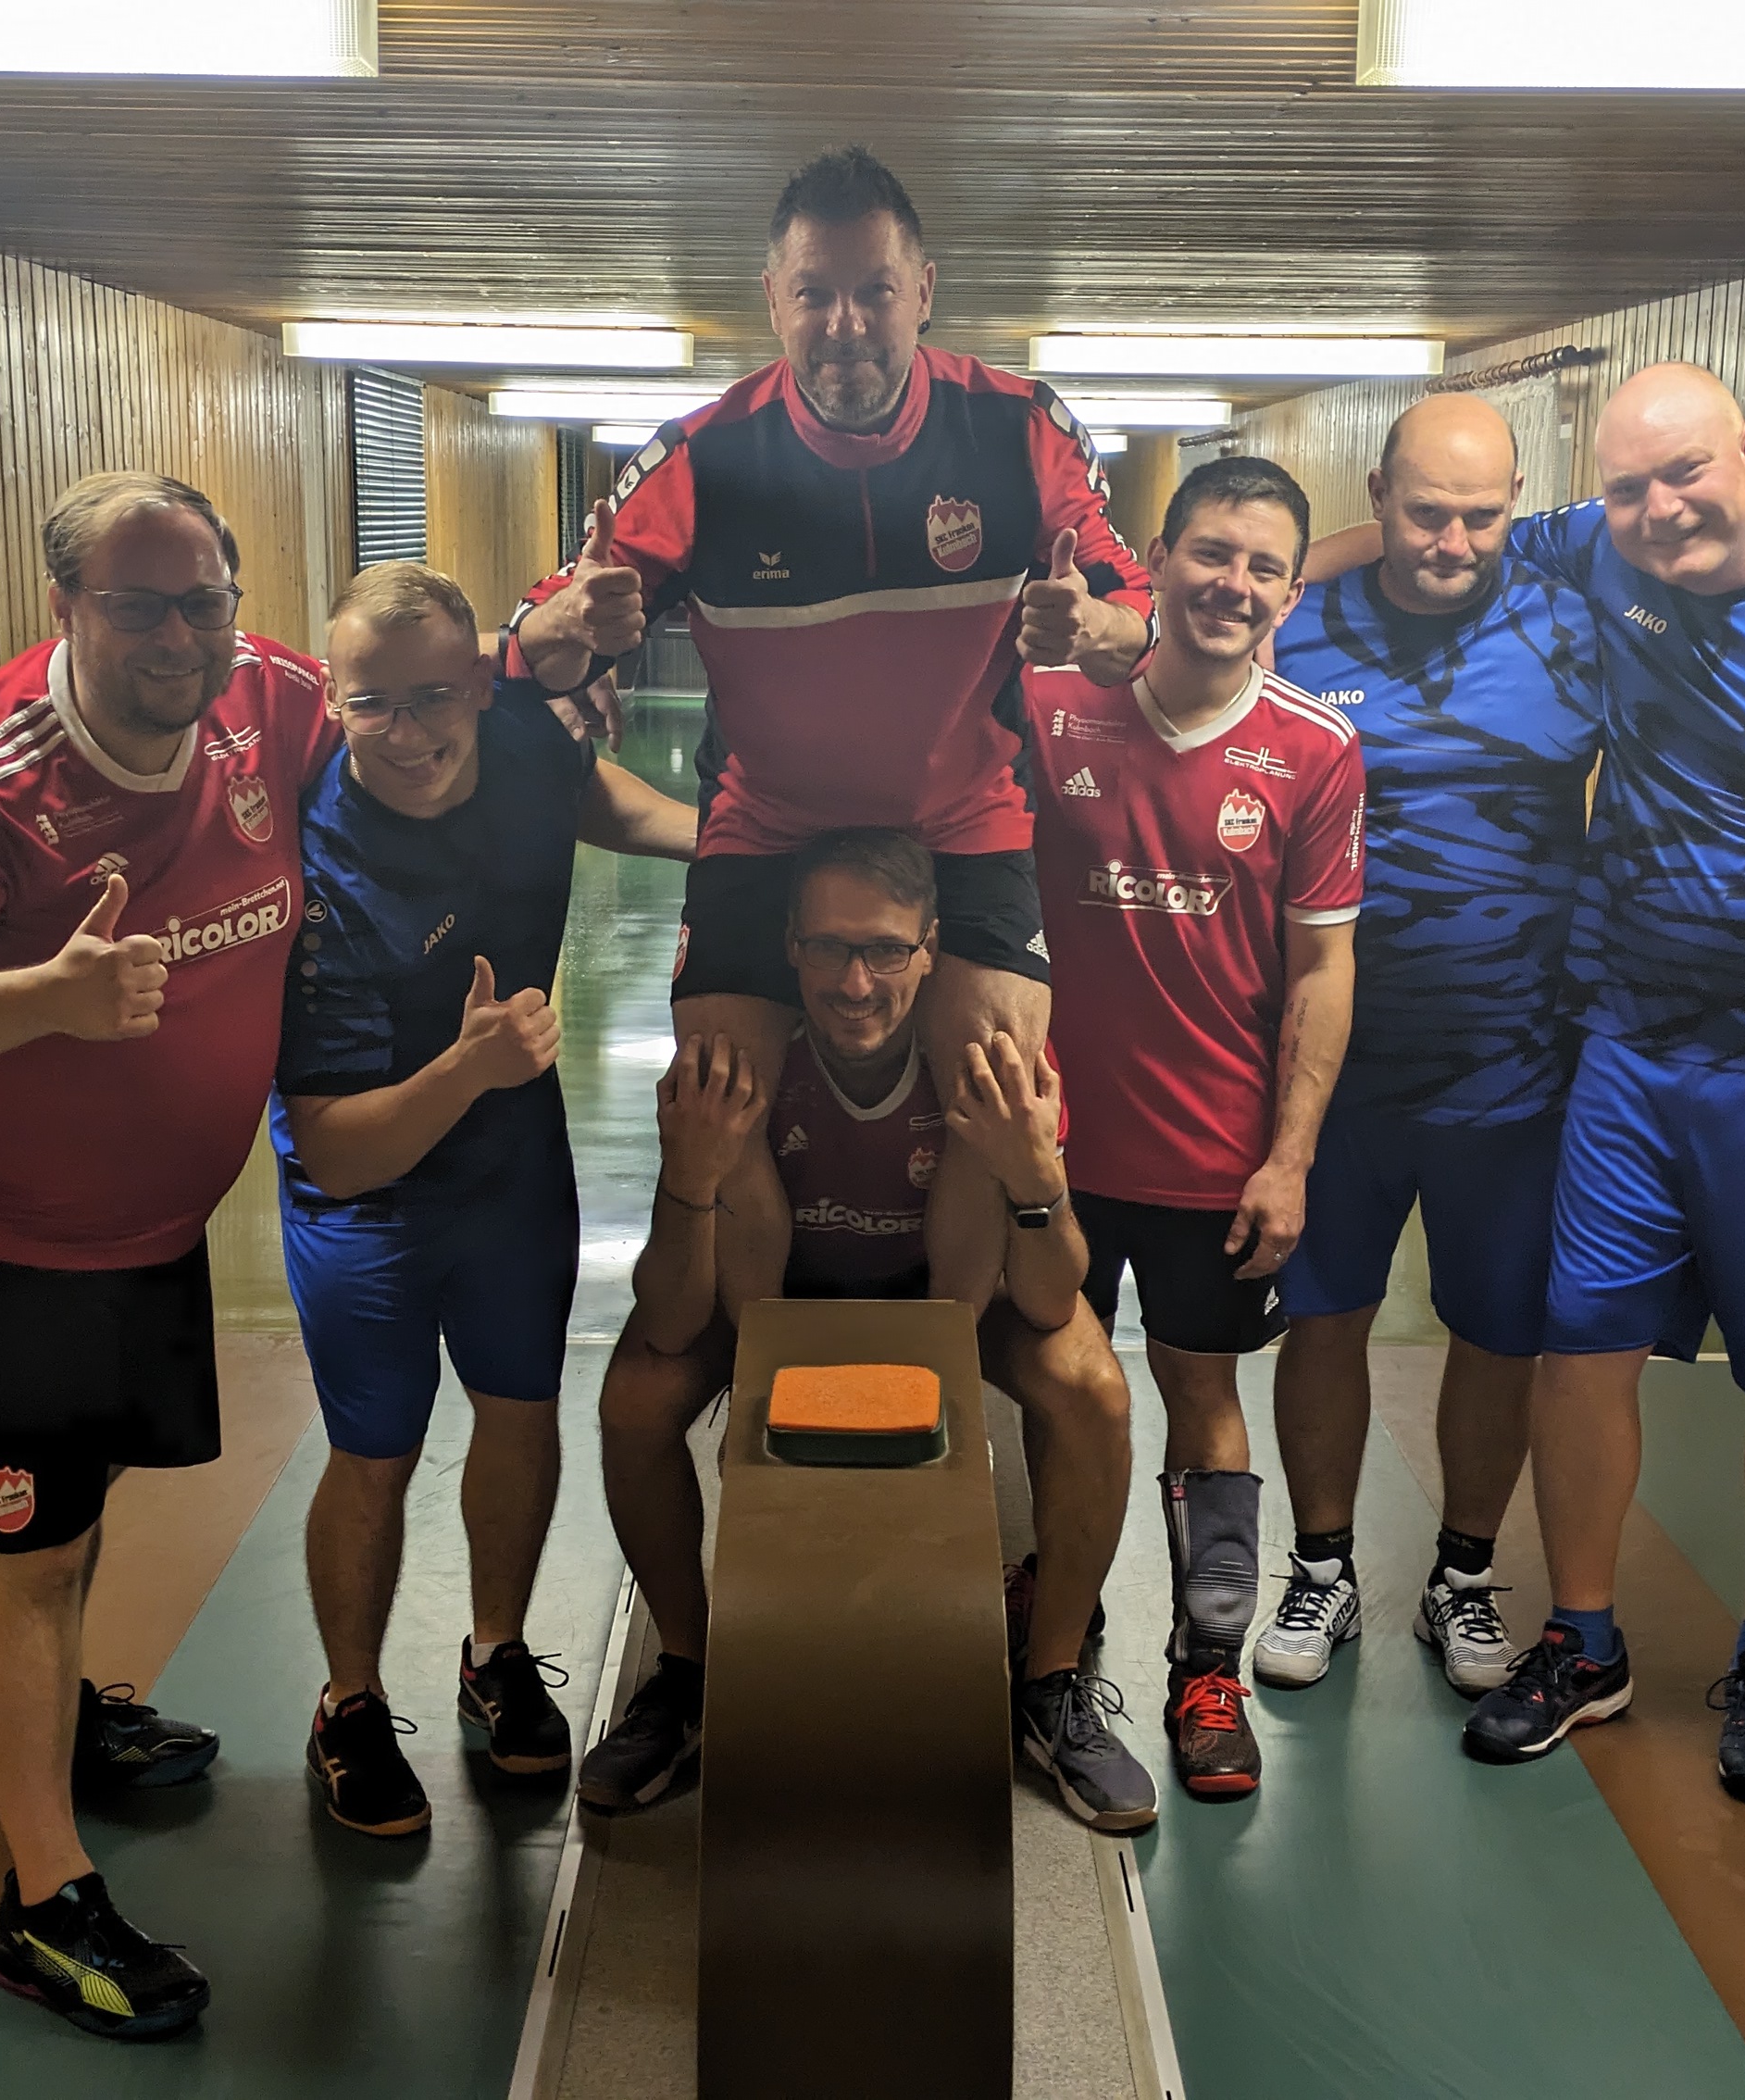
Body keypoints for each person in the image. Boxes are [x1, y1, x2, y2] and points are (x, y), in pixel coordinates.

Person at [1315, 364, 1745, 1802]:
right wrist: (1241, 576)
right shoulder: (1598, 552)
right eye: (1628, 487)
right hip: (1625, 1049)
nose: (1659, 508)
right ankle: (1583, 1640)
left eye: (1685, 473)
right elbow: (1422, 529)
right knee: (1581, 1350)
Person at [0, 471, 331, 2042]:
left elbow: (405, 698)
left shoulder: (266, 695)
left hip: (146, 1228)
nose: (180, 636)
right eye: (137, 606)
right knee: (33, 1550)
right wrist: (46, 998)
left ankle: (58, 1718)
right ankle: (44, 1905)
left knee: (84, 1497)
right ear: (64, 605)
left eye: (204, 600)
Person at [501, 145, 1153, 1306]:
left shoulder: (1017, 428)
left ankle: (944, 1353)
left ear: (924, 292)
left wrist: (1088, 627)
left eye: (874, 291)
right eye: (815, 293)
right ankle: (768, 1362)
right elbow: (533, 645)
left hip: (963, 817)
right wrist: (572, 626)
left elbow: (1132, 612)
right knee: (722, 1103)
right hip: (768, 822)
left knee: (994, 1085)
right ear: (774, 300)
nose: (845, 324)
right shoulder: (702, 455)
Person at [578, 829, 1158, 1831]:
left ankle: (1051, 1684)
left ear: (930, 949)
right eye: (830, 948)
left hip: (942, 1295)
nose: (856, 983)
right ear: (789, 947)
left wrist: (1034, 1176)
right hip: (786, 1296)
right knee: (634, 1396)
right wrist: (691, 1180)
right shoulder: (742, 1063)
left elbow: (1047, 1298)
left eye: (886, 950)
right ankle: (686, 1674)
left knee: (1092, 1389)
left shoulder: (987, 1060)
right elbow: (679, 1316)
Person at [272, 562, 698, 1836]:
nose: (407, 733)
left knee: (518, 1410)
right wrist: (467, 1070)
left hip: (511, 1165)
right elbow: (336, 1151)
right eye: (373, 704)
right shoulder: (318, 872)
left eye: (433, 697)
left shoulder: (520, 736)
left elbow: (591, 794)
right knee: (376, 1449)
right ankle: (349, 1703)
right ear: (335, 700)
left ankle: (495, 1653)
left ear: (476, 683)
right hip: (371, 1196)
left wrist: (731, 839)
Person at [1021, 456, 1364, 1801]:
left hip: (1212, 1156)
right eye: (1212, 553)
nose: (1234, 584)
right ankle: (1056, 1630)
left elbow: (1324, 968)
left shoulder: (1316, 750)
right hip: (1049, 1149)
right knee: (1056, 1388)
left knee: (1203, 1396)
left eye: (1264, 566)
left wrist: (1290, 1158)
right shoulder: (1049, 706)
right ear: (1156, 560)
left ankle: (1206, 1665)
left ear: (1290, 593)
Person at [1252, 395, 1604, 1704]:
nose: (1453, 542)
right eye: (1425, 513)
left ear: (1517, 503)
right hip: (1328, 1070)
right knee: (1322, 1318)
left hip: (1514, 1068)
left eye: (1482, 516)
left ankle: (1463, 1573)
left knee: (1498, 1332)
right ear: (1377, 497)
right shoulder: (1298, 625)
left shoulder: (1576, 626)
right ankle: (1322, 1567)